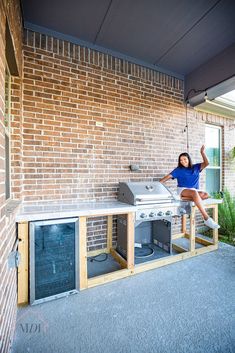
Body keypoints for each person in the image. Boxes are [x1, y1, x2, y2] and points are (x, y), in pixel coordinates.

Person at [159, 145, 220, 229]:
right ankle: (206, 218)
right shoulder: (178, 170)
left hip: (193, 191)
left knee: (205, 195)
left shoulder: (196, 167)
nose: (183, 161)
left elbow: (207, 163)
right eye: (181, 160)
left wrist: (202, 152)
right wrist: (159, 186)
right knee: (195, 193)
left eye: (184, 159)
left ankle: (185, 198)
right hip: (183, 190)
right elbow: (163, 180)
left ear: (188, 159)